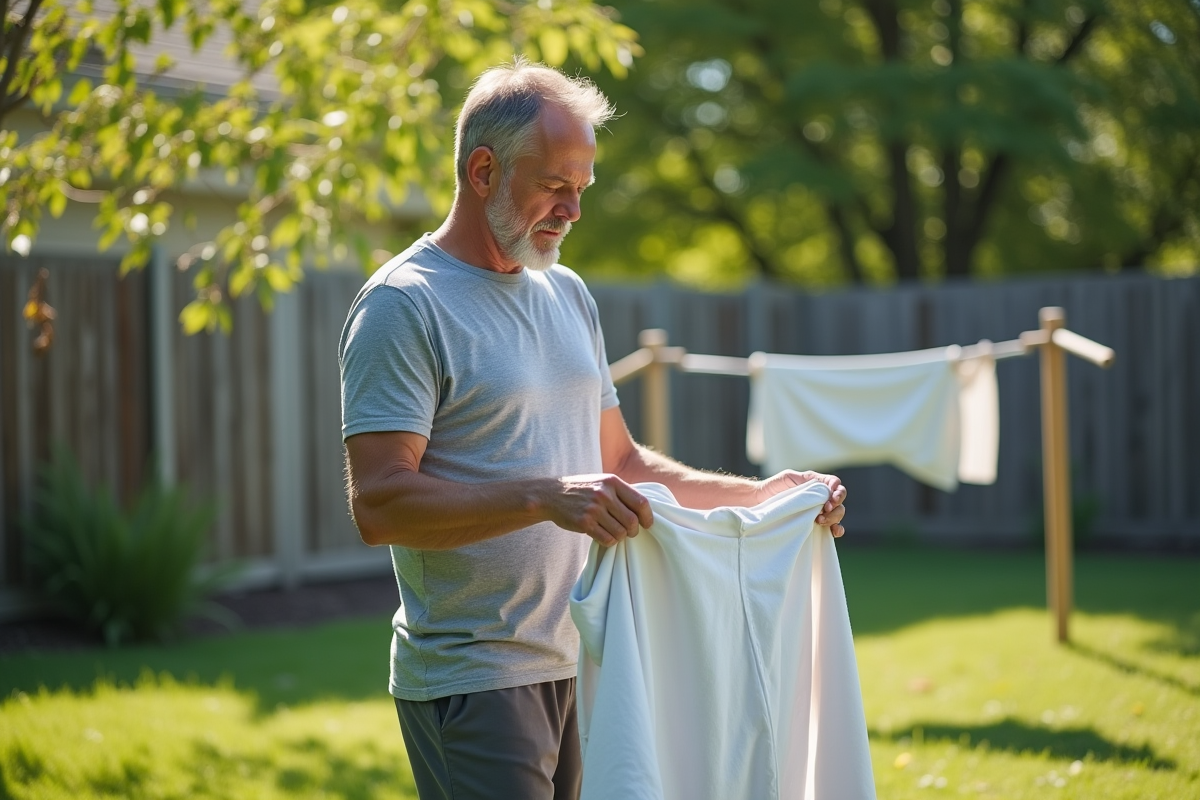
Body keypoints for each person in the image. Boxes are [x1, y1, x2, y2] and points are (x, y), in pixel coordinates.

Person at [338, 58, 848, 800]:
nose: (573, 211)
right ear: (483, 170)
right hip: (476, 679)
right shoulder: (402, 305)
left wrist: (767, 493)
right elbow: (379, 505)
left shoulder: (567, 293)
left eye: (582, 189)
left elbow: (623, 464)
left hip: (597, 661)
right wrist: (547, 497)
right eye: (554, 186)